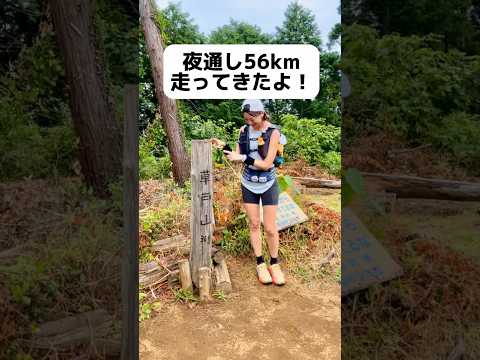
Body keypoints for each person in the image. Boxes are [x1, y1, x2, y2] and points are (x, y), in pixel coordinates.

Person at [223, 99, 286, 286]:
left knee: (270, 227)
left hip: (268, 183)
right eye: (246, 119)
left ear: (262, 114)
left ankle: (274, 264)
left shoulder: (273, 133)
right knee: (254, 224)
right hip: (248, 183)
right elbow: (237, 157)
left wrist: (242, 157)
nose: (249, 122)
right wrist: (224, 147)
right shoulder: (243, 131)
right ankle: (260, 263)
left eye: (252, 119)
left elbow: (267, 163)